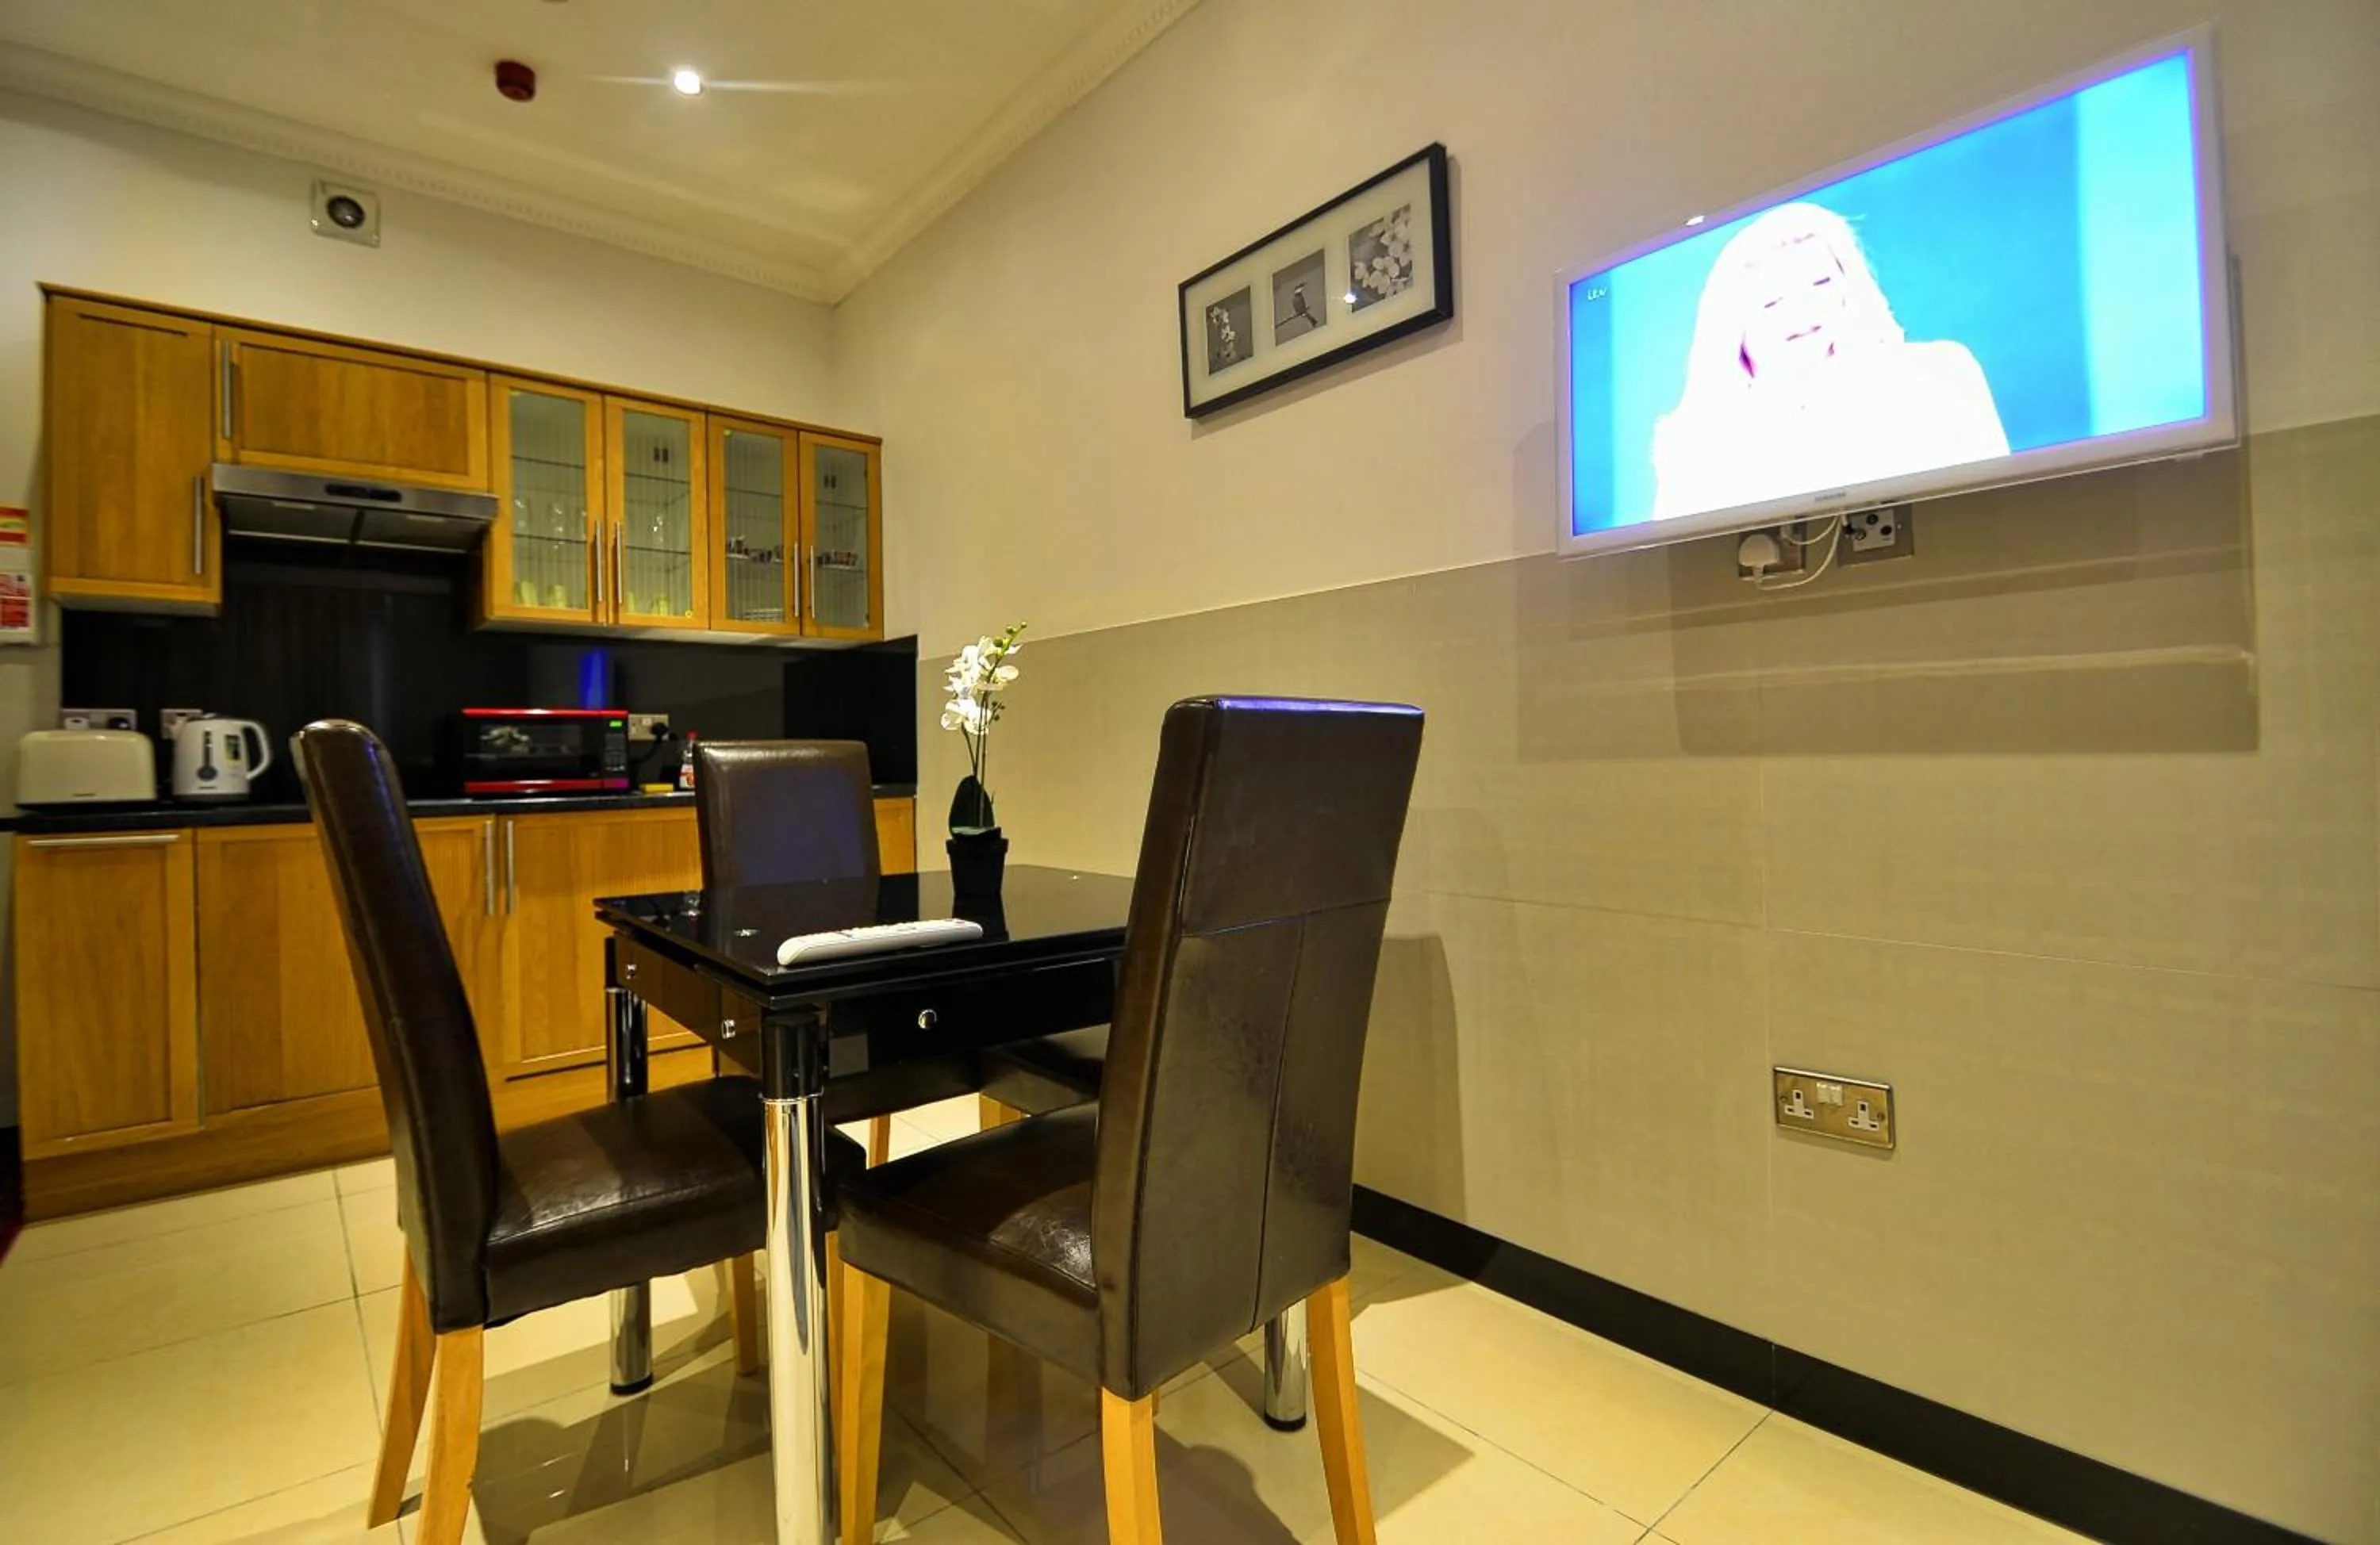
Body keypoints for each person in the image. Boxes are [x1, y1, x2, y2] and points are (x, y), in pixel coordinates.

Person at [1651, 201, 2008, 521]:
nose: (1801, 313)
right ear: (1731, 329)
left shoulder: (1942, 373)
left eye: (1820, 284)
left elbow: (1998, 512)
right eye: (1771, 303)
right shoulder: (1695, 441)